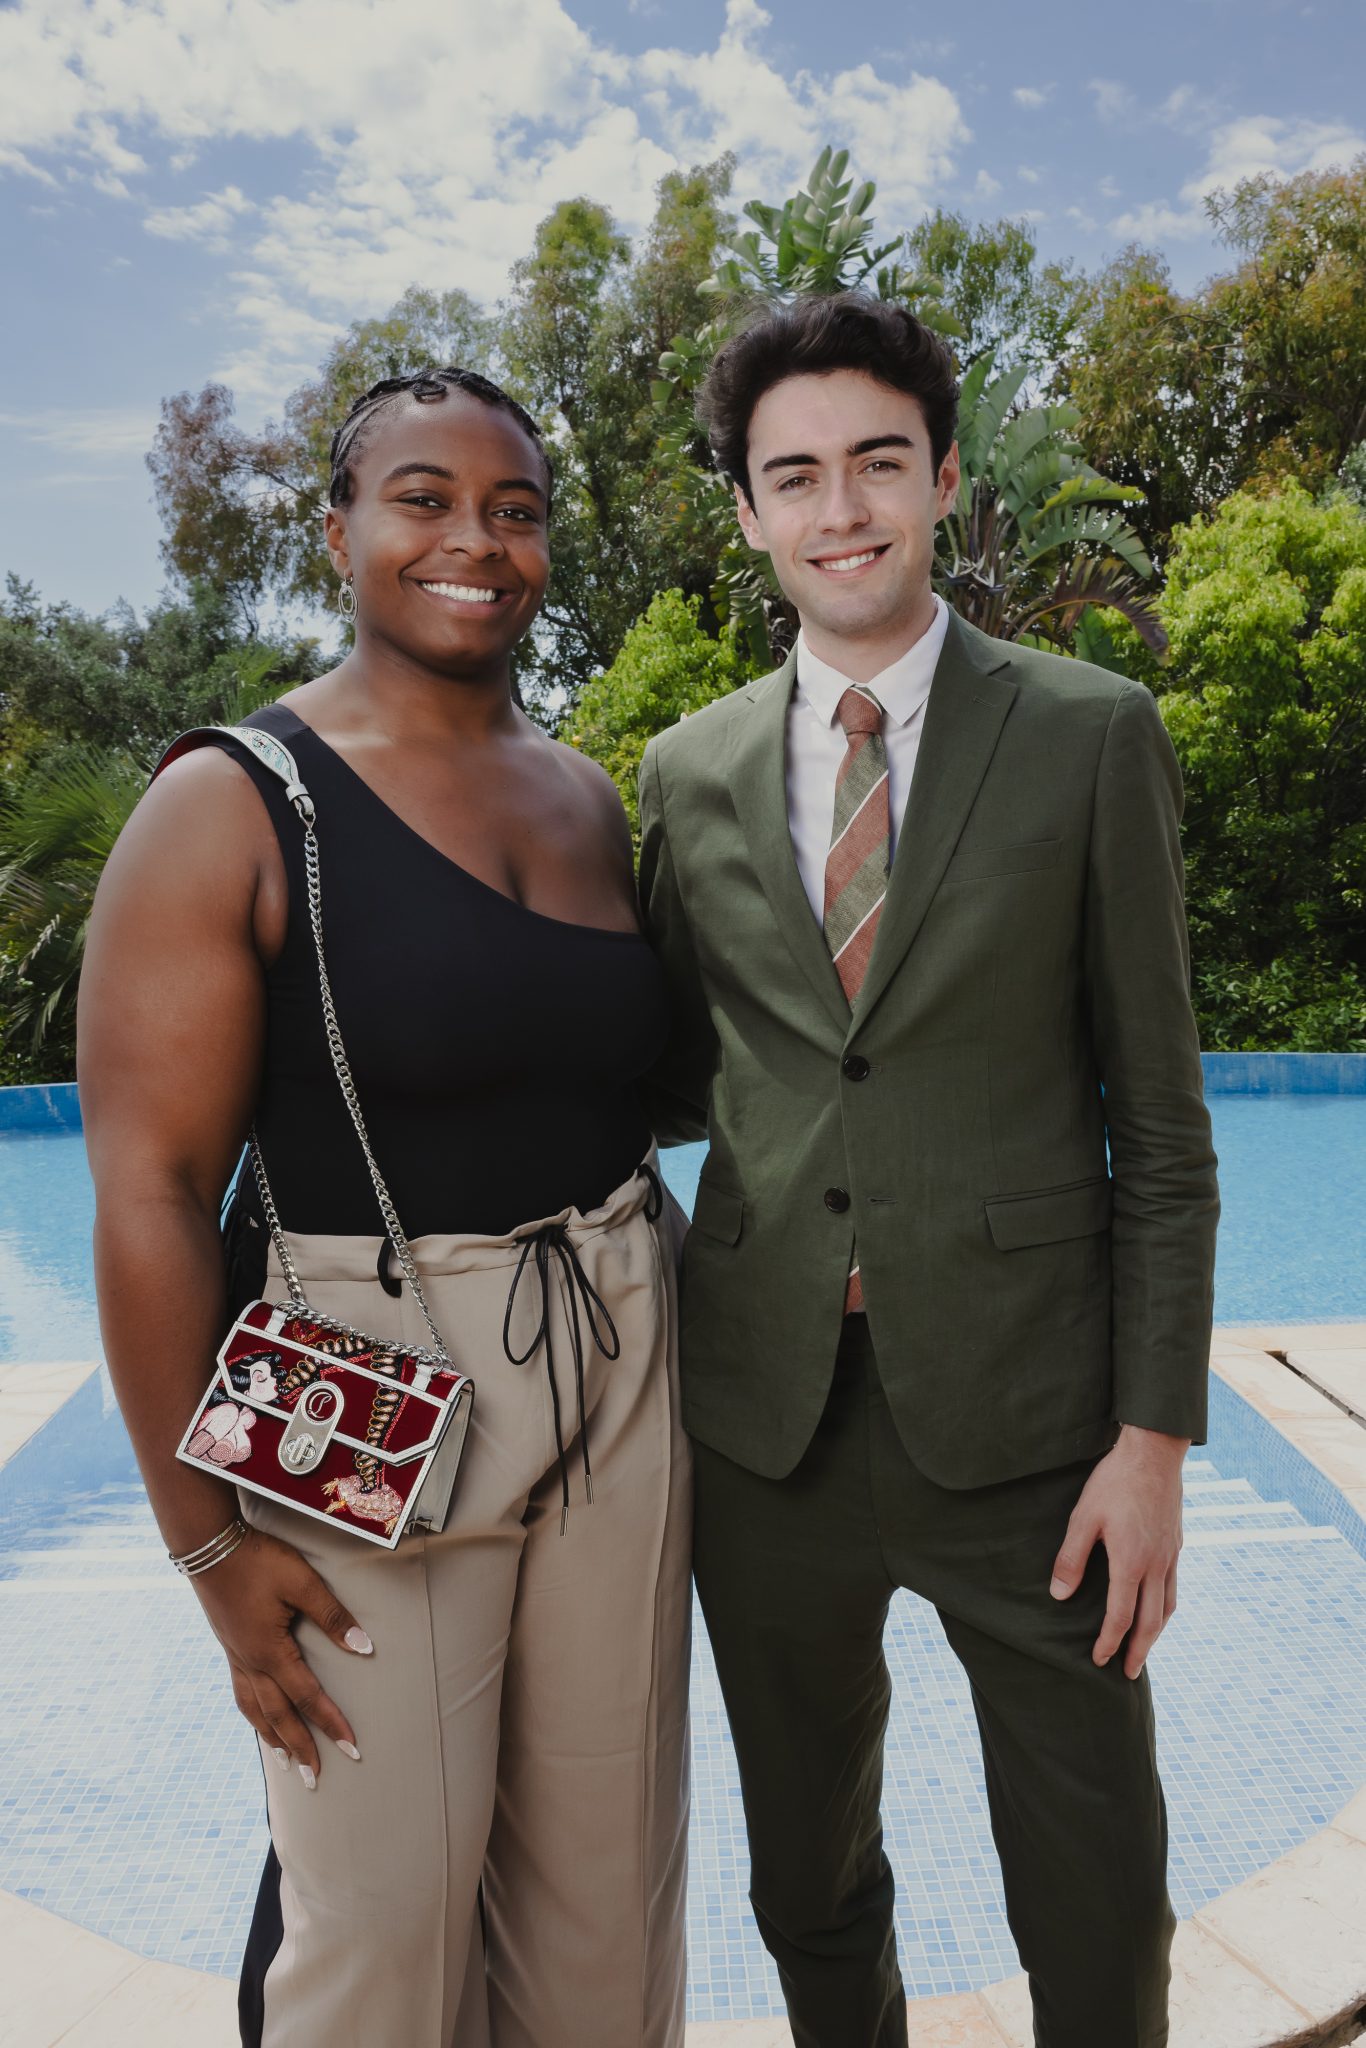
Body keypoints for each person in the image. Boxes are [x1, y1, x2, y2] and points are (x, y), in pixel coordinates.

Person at [78, 367, 691, 2048]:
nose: (474, 543)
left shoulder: (583, 795)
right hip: (365, 1384)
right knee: (379, 1928)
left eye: (514, 510)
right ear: (339, 526)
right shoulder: (230, 802)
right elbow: (148, 1192)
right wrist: (208, 1545)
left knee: (605, 1911)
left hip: (622, 1362)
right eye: (422, 498)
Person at [638, 293, 1219, 2048]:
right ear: (746, 511)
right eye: (792, 475)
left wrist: (1152, 1446)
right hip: (766, 1430)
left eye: (876, 463)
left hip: (1038, 1431)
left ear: (944, 480)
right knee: (804, 1881)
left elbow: (1167, 1136)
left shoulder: (1090, 730)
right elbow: (665, 1082)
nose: (840, 510)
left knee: (1096, 1885)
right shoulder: (682, 774)